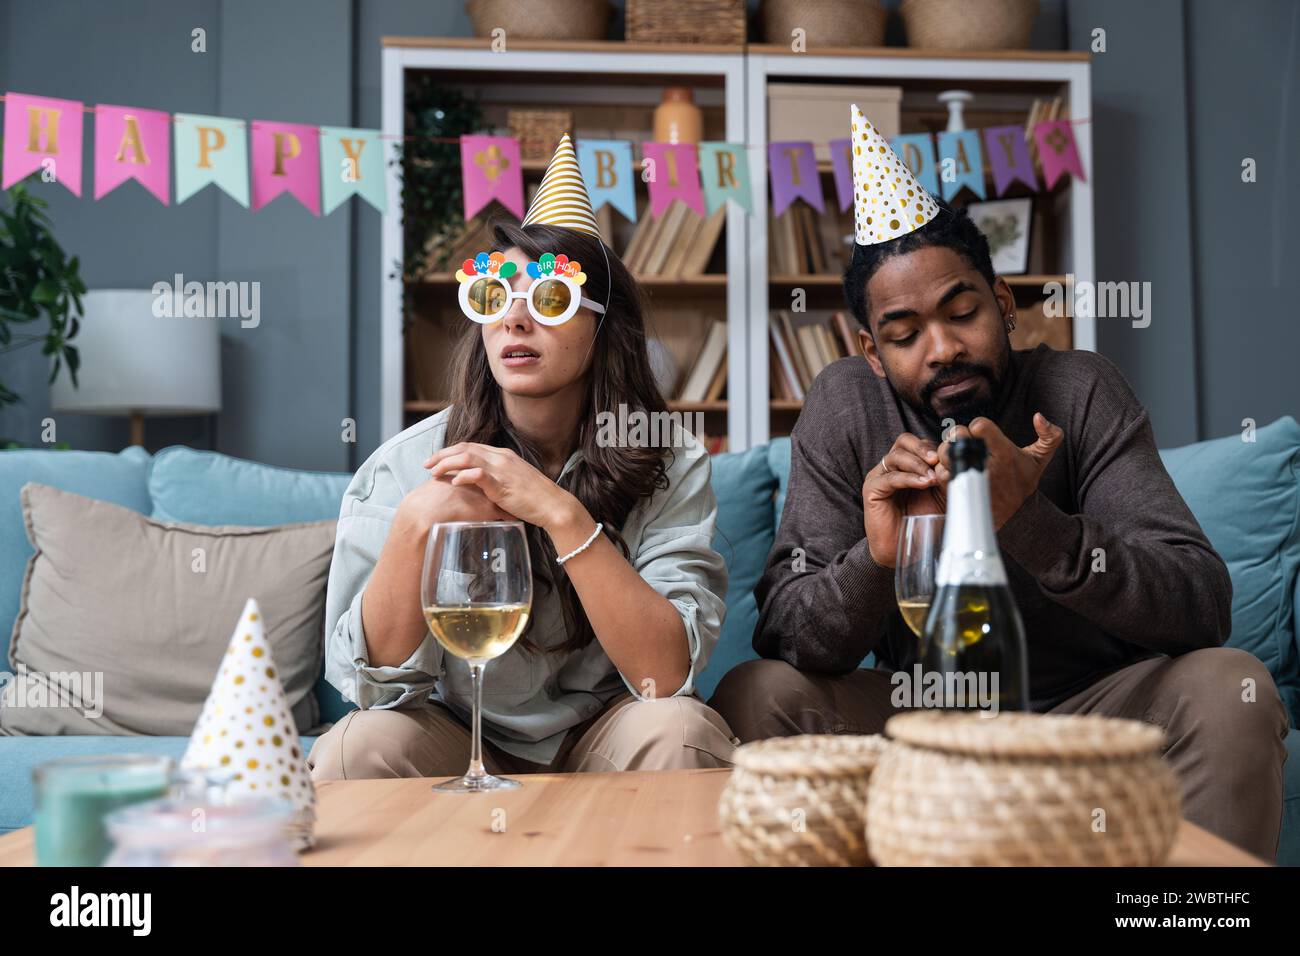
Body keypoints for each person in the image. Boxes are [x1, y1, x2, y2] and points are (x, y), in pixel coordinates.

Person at [708, 105, 1289, 859]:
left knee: (1227, 685)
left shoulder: (1079, 389)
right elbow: (787, 631)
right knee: (757, 692)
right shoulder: (847, 402)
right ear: (872, 351)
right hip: (918, 711)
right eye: (906, 334)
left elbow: (1200, 605)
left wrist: (1031, 521)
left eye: (962, 312)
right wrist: (877, 559)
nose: (944, 349)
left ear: (1005, 303)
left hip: (1091, 713)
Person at [309, 135, 735, 781]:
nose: (515, 319)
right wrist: (416, 524)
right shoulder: (407, 464)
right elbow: (371, 688)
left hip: (607, 731)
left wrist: (561, 514)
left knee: (679, 730)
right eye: (494, 297)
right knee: (356, 747)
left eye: (550, 300)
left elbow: (664, 675)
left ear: (603, 327)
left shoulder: (670, 460)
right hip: (455, 727)